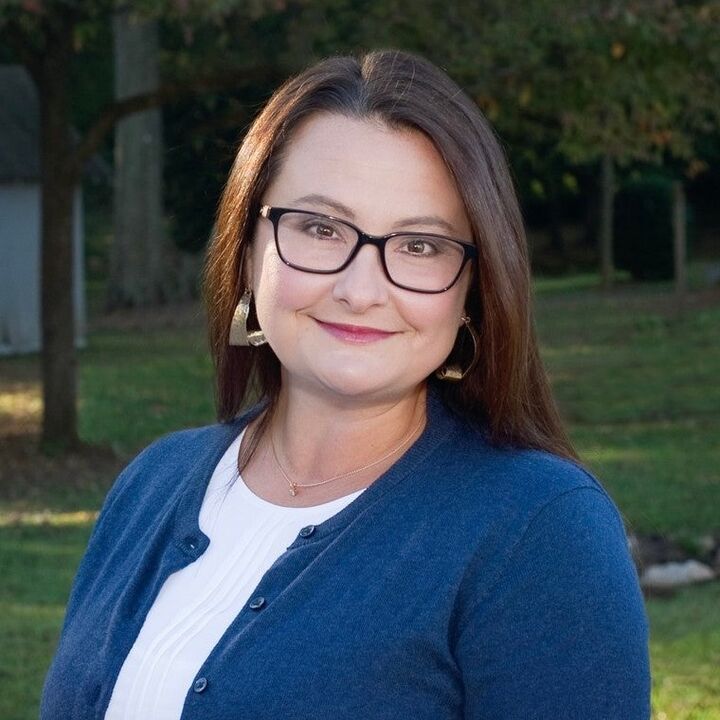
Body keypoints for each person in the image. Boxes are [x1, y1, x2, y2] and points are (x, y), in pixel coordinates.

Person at [41, 50, 651, 719]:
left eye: (420, 245)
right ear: (248, 250)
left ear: (473, 290)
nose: (361, 290)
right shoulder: (151, 484)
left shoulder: (539, 532)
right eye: (320, 228)